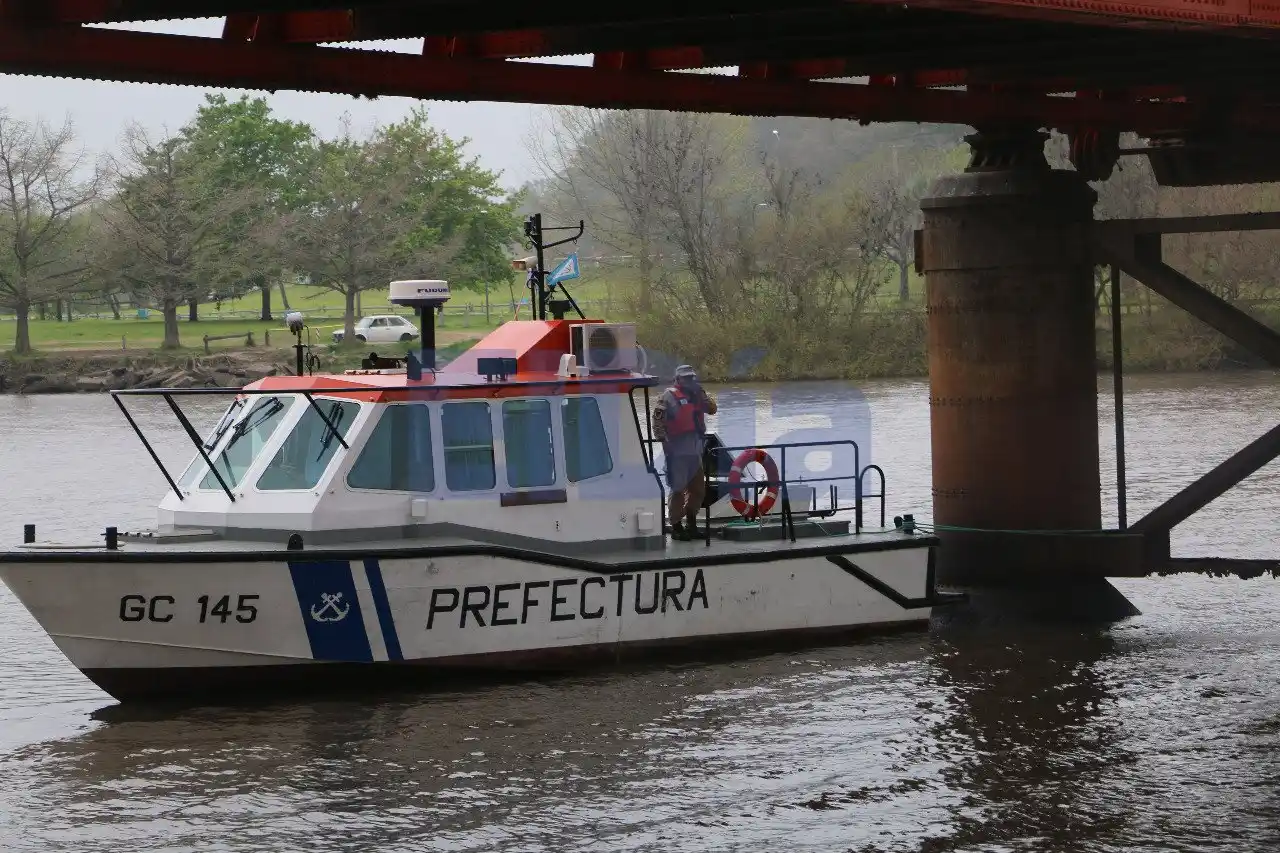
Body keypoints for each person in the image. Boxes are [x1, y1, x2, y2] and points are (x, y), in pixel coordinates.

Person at [654, 364, 717, 541]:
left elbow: (712, 410)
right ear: (677, 379)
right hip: (677, 452)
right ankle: (676, 526)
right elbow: (657, 422)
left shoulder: (698, 394)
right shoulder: (667, 396)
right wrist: (664, 443)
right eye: (686, 378)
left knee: (698, 490)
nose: (689, 381)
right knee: (677, 490)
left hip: (695, 452)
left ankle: (691, 523)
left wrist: (704, 396)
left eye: (691, 377)